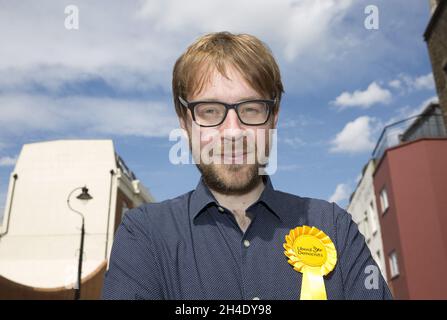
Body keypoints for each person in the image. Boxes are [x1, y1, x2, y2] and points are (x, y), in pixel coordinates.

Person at [102, 31, 392, 300]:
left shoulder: (334, 227)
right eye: (211, 111)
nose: (233, 131)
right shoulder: (143, 235)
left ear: (273, 118)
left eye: (251, 109)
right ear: (185, 123)